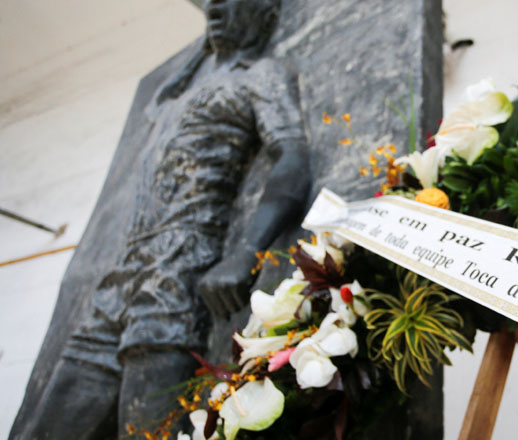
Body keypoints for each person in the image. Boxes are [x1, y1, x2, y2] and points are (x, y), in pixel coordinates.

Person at [20, 0, 308, 438]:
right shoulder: (177, 92)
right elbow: (159, 101)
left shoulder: (260, 75)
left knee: (147, 432)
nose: (216, 8)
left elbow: (292, 160)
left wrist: (244, 254)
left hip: (177, 271)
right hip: (120, 278)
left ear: (264, 15)